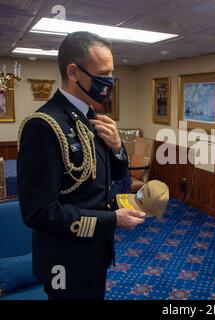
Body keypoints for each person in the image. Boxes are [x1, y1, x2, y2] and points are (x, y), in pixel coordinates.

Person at [17, 32, 146, 300]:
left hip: (95, 251)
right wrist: (112, 219)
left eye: (112, 73)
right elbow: (39, 212)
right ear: (74, 72)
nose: (109, 82)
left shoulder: (92, 116)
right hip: (63, 259)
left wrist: (118, 149)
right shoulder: (44, 125)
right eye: (104, 73)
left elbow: (111, 178)